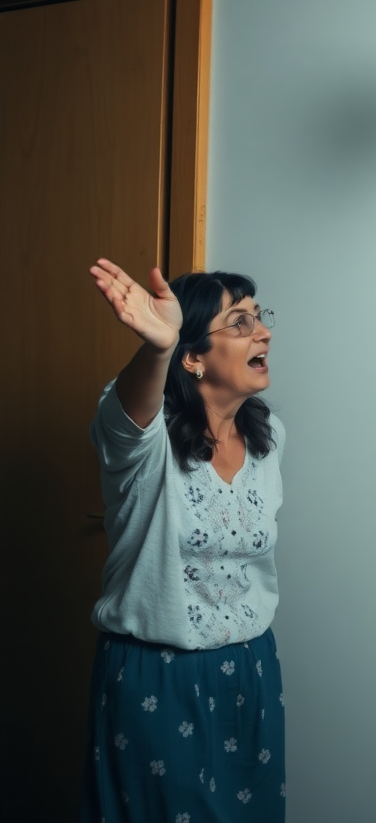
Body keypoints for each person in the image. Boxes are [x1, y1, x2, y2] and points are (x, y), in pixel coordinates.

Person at [80, 258, 287, 823]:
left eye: (258, 317)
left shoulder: (269, 442)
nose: (262, 331)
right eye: (239, 323)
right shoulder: (143, 443)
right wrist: (157, 348)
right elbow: (128, 415)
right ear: (192, 357)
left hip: (251, 669)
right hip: (159, 676)